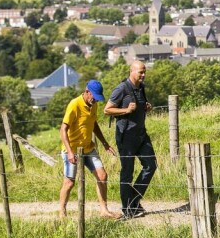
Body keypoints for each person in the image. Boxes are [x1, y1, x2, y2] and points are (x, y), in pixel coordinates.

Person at [59, 80, 120, 219]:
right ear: (87, 92)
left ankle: (104, 210)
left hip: (88, 148)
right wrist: (69, 152)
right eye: (94, 97)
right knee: (69, 183)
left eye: (98, 98)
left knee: (103, 176)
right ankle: (62, 212)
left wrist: (105, 143)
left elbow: (94, 124)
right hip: (72, 150)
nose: (95, 100)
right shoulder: (74, 105)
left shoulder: (94, 105)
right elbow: (63, 129)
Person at [104, 61, 157, 218]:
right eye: (140, 72)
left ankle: (133, 200)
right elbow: (107, 110)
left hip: (141, 134)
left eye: (144, 72)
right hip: (126, 136)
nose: (143, 75)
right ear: (132, 71)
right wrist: (126, 110)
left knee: (151, 165)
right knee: (127, 172)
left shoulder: (141, 88)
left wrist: (146, 107)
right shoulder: (121, 89)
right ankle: (127, 208)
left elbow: (139, 106)